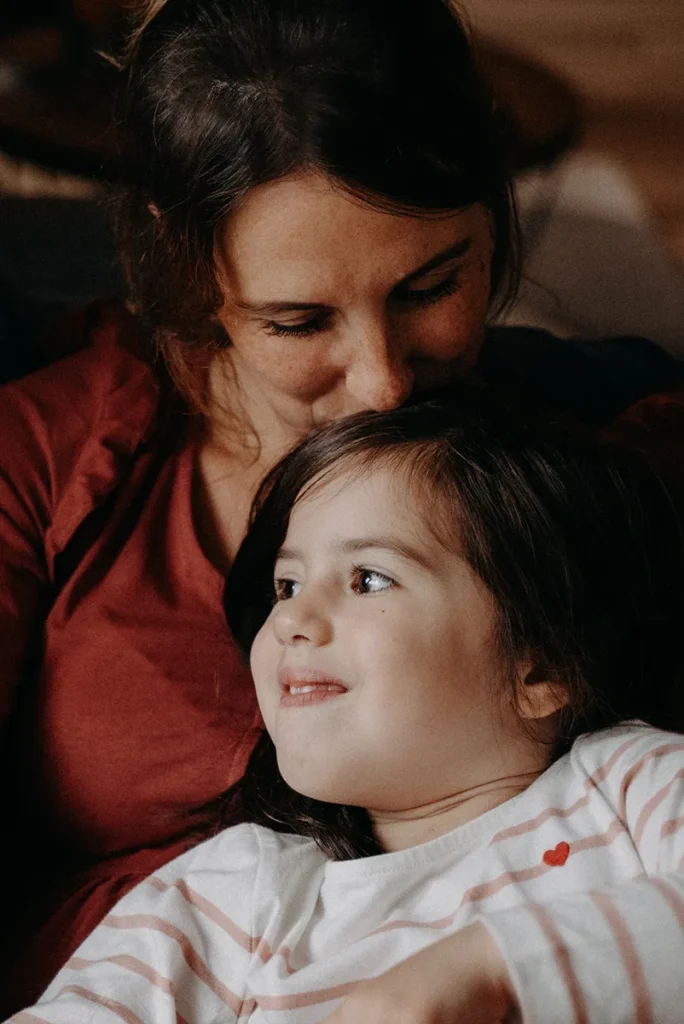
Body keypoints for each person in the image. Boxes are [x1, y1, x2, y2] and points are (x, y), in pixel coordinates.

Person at [1, 0, 683, 1013]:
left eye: (429, 286)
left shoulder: (591, 455)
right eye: (299, 319)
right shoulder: (51, 459)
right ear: (189, 268)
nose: (384, 385)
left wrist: (477, 974)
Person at [10, 390, 684, 1023]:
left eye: (367, 579)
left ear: (540, 666)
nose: (293, 618)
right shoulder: (235, 894)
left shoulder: (629, 786)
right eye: (287, 583)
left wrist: (490, 969)